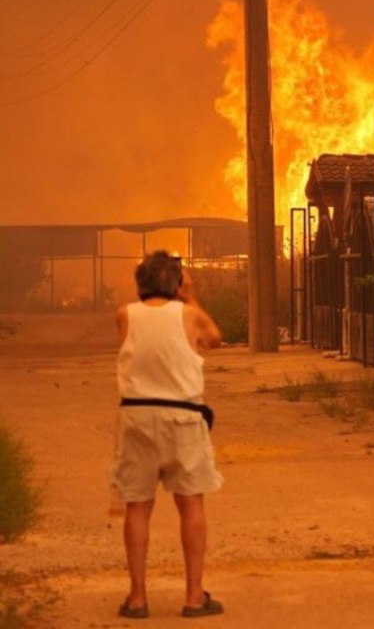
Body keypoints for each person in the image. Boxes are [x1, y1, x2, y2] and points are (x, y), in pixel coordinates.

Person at [110, 250, 225, 618]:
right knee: (190, 503)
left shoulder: (125, 315)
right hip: (182, 417)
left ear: (140, 283)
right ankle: (194, 597)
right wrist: (189, 294)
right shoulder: (189, 314)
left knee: (137, 506)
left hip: (137, 416)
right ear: (177, 283)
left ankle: (137, 598)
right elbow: (214, 339)